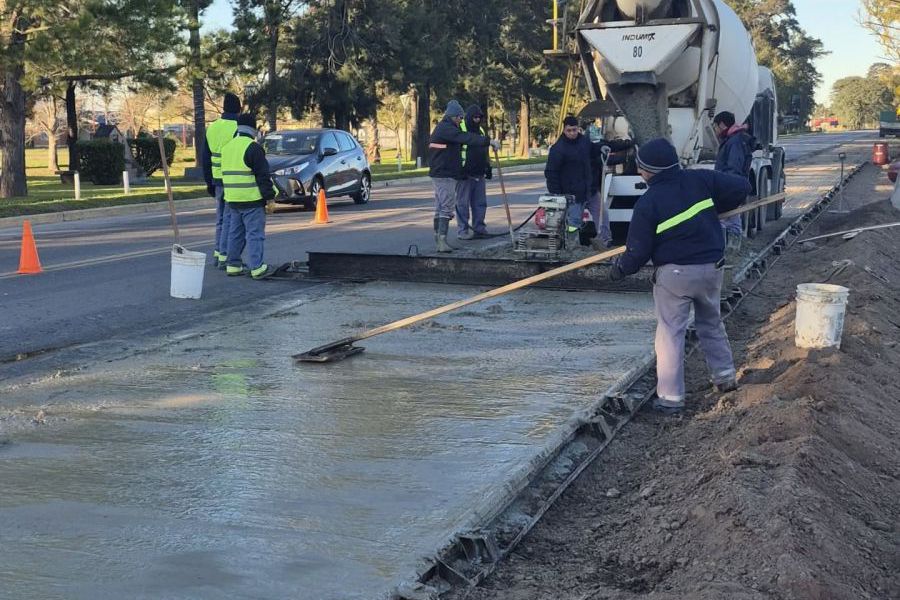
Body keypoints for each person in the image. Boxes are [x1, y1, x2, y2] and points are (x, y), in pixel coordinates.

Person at [609, 138, 751, 414]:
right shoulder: (701, 179)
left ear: (650, 171)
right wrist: (717, 207)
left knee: (671, 334)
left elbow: (638, 251)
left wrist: (620, 269)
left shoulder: (648, 202)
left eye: (641, 167)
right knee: (711, 323)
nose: (639, 171)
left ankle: (671, 399)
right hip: (711, 268)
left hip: (675, 276)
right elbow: (742, 187)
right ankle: (725, 377)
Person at [428, 100, 498, 253]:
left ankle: (440, 240)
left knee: (440, 207)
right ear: (453, 116)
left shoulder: (447, 128)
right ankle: (441, 242)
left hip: (444, 173)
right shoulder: (447, 128)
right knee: (446, 207)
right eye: (460, 117)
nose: (461, 120)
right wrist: (489, 141)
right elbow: (465, 138)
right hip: (444, 174)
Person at [221, 113, 277, 279]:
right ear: (253, 130)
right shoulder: (253, 148)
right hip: (252, 200)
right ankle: (257, 268)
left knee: (235, 234)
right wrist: (270, 198)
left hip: (233, 200)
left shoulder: (227, 148)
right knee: (254, 235)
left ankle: (233, 265)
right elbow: (263, 176)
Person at [202, 92, 241, 269]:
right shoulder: (238, 128)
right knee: (230, 220)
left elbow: (205, 158)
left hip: (216, 179)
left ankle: (218, 253)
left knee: (220, 219)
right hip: (233, 179)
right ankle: (225, 256)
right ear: (238, 108)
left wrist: (208, 182)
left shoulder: (213, 127)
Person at [544, 116, 592, 244]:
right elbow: (551, 172)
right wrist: (557, 194)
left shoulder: (584, 142)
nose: (572, 133)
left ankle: (602, 240)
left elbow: (594, 151)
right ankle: (572, 244)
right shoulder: (558, 149)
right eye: (569, 130)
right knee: (573, 222)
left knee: (584, 219)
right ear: (564, 130)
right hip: (570, 193)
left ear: (578, 129)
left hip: (585, 189)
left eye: (574, 130)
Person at [713, 111, 753, 252]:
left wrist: (725, 187)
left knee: (728, 217)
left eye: (715, 126)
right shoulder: (733, 140)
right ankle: (731, 248)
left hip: (730, 186)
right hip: (731, 185)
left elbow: (734, 167)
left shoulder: (734, 142)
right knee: (730, 216)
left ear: (722, 125)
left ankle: (732, 248)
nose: (715, 130)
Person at [588, 133, 632, 247]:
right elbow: (603, 159)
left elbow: (610, 148)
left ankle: (605, 240)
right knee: (574, 219)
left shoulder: (593, 147)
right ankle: (571, 243)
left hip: (591, 191)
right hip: (578, 192)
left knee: (602, 213)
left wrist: (628, 145)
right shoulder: (586, 151)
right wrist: (625, 158)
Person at [455, 105, 492, 240]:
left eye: (479, 117)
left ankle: (479, 228)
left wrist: (487, 166)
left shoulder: (481, 130)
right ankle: (463, 231)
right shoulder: (461, 129)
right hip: (465, 174)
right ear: (469, 117)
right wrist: (459, 169)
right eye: (475, 117)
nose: (477, 120)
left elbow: (484, 151)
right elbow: (455, 152)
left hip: (479, 173)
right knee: (463, 204)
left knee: (480, 203)